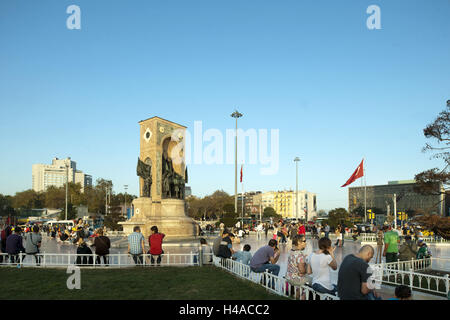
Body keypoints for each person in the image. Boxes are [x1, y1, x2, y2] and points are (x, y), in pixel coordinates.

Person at [285, 235, 309, 300]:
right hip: (295, 279)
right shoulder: (300, 256)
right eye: (304, 241)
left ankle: (296, 294)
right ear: (299, 242)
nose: (306, 243)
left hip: (288, 277)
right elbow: (302, 271)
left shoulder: (291, 251)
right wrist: (307, 265)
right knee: (314, 282)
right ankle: (300, 296)